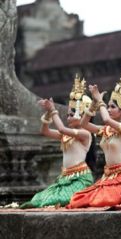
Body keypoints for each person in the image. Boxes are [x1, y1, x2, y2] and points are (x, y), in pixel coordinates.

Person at [20, 75, 94, 208]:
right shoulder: (67, 135)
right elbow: (45, 131)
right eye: (68, 115)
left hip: (80, 179)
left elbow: (61, 128)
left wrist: (53, 110)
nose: (69, 117)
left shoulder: (85, 134)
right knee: (37, 199)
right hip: (64, 178)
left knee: (57, 201)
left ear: (82, 115)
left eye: (72, 115)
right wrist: (48, 113)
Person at [67, 69, 121, 208]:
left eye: (113, 106)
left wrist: (100, 102)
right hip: (108, 177)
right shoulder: (106, 130)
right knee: (78, 199)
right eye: (108, 106)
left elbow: (105, 118)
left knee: (98, 202)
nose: (109, 109)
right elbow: (84, 123)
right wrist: (93, 104)